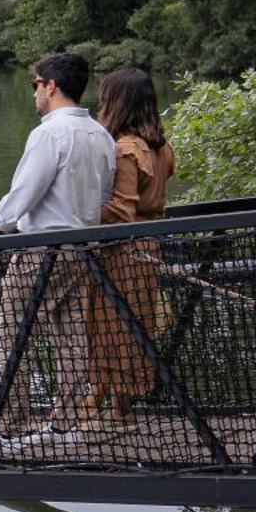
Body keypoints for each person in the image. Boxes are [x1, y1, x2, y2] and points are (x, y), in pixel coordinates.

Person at [0, 52, 116, 443]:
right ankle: (66, 423)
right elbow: (104, 197)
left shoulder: (49, 133)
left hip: (41, 251)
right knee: (72, 337)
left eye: (35, 85)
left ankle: (10, 429)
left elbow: (23, 196)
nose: (33, 94)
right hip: (83, 249)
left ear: (51, 86)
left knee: (13, 336)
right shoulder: (101, 135)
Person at [85, 68, 177, 430]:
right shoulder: (161, 146)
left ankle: (107, 409)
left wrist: (77, 212)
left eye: (105, 96)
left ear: (117, 102)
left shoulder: (125, 149)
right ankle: (111, 405)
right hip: (150, 248)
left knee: (111, 327)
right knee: (132, 325)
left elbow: (122, 209)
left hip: (123, 253)